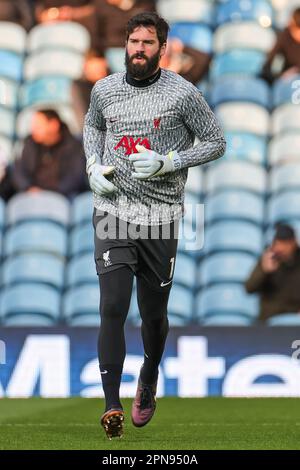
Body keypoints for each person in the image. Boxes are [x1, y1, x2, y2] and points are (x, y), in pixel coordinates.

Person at [83, 11, 226, 439]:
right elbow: (92, 125)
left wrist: (170, 161)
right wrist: (92, 162)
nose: (139, 50)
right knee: (112, 306)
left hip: (161, 219)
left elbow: (217, 141)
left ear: (162, 49)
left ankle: (148, 374)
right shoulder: (104, 89)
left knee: (153, 315)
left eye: (147, 43)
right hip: (113, 211)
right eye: (133, 42)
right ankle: (111, 407)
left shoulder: (183, 94)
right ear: (125, 45)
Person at [13, 109, 87, 197]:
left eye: (38, 126)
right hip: (32, 194)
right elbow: (19, 170)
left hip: (64, 196)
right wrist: (28, 188)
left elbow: (75, 177)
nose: (33, 129)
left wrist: (53, 193)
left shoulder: (73, 145)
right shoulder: (30, 142)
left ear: (53, 125)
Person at [245, 223, 300, 322]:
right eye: (279, 243)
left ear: (294, 242)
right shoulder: (268, 260)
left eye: (286, 243)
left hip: (295, 321)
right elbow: (249, 288)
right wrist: (264, 271)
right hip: (269, 322)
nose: (282, 248)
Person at [72, 50, 110, 131]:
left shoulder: (114, 82)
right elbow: (81, 118)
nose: (100, 72)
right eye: (95, 69)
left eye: (101, 68)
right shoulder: (78, 86)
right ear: (86, 67)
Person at [261, 7, 300, 83]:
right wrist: (279, 77)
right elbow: (268, 64)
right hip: (290, 83)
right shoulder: (286, 35)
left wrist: (297, 70)